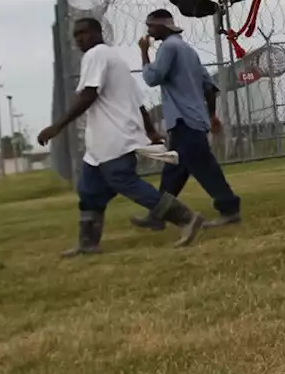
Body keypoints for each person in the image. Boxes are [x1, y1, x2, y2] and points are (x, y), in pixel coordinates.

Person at [38, 17, 206, 256]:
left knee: (124, 181)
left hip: (114, 137)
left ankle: (187, 218)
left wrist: (57, 126)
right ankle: (88, 244)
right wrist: (149, 131)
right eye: (75, 35)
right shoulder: (115, 59)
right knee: (88, 189)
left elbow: (88, 95)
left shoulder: (96, 54)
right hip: (100, 143)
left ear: (98, 33)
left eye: (84, 33)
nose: (79, 39)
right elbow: (138, 102)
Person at [131, 9, 242, 230]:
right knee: (174, 171)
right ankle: (158, 215)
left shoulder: (169, 47)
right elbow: (209, 86)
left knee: (203, 166)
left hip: (183, 119)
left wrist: (144, 53)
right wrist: (211, 115)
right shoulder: (188, 50)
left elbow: (153, 78)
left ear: (163, 26)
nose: (149, 32)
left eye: (151, 26)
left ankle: (229, 209)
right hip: (193, 118)